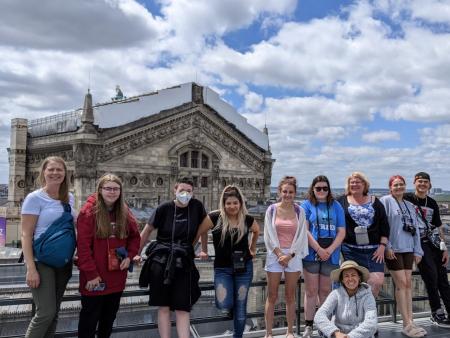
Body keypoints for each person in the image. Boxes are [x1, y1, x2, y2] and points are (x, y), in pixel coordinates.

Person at [138, 177, 208, 338]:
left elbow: (205, 228)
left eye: (189, 191)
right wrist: (137, 253)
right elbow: (147, 231)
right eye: (182, 190)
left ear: (193, 192)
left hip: (184, 261)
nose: (185, 194)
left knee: (183, 306)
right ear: (174, 190)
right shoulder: (164, 208)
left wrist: (204, 249)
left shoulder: (197, 206)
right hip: (162, 261)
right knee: (163, 307)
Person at [76, 174, 140, 337]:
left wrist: (130, 256)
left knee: (108, 321)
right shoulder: (88, 212)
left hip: (116, 276)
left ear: (120, 191)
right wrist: (91, 275)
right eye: (108, 188)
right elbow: (83, 248)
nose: (112, 192)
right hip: (94, 279)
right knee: (88, 323)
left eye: (115, 189)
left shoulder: (124, 211)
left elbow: (135, 236)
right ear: (100, 190)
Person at [21, 156, 76, 338]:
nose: (55, 173)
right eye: (51, 169)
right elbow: (26, 234)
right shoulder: (34, 198)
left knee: (53, 314)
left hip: (63, 262)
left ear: (65, 173)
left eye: (59, 169)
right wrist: (31, 268)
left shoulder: (70, 198)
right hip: (40, 261)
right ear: (43, 172)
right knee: (45, 313)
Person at [194, 185, 260, 338]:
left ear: (240, 203)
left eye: (235, 203)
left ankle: (238, 336)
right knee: (224, 303)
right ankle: (231, 306)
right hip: (223, 268)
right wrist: (203, 249)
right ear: (223, 204)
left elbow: (257, 231)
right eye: (228, 203)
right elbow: (200, 231)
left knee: (241, 307)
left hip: (244, 267)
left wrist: (253, 247)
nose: (232, 206)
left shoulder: (247, 219)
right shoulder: (214, 217)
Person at [263, 176, 309, 338]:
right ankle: (268, 333)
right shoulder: (272, 210)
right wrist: (279, 254)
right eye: (285, 191)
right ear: (279, 192)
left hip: (293, 255)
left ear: (295, 193)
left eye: (291, 192)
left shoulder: (300, 210)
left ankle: (290, 332)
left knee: (290, 296)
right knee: (272, 295)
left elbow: (302, 236)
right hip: (275, 254)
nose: (288, 194)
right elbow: (267, 234)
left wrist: (290, 255)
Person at [301, 176, 346, 338]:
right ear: (312, 189)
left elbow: (341, 231)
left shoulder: (336, 206)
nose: (321, 191)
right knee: (311, 291)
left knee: (326, 291)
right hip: (311, 253)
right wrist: (319, 249)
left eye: (324, 188)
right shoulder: (305, 205)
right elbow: (304, 231)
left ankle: (323, 325)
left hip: (331, 255)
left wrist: (329, 250)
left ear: (329, 190)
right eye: (318, 188)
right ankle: (308, 326)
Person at [380, 175, 425, 337]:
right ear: (390, 187)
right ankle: (406, 324)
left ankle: (411, 321)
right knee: (402, 284)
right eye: (395, 185)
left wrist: (418, 251)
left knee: (408, 286)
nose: (399, 187)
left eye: (401, 184)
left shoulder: (410, 205)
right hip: (394, 250)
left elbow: (416, 231)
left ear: (405, 187)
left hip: (409, 249)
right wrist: (387, 246)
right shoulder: (385, 201)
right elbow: (382, 225)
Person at [404, 172, 450, 327]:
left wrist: (444, 248)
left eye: (425, 182)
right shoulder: (407, 199)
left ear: (429, 185)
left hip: (434, 243)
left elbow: (438, 226)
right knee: (431, 276)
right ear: (414, 183)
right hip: (419, 243)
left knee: (442, 278)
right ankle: (436, 312)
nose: (422, 184)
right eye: (419, 181)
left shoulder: (432, 202)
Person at [337, 172, 389, 298]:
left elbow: (384, 225)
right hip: (350, 249)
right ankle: (357, 314)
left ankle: (368, 312)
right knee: (353, 283)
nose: (355, 184)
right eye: (352, 182)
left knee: (376, 282)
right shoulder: (341, 201)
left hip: (374, 250)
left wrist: (382, 246)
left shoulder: (375, 201)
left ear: (365, 185)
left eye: (358, 182)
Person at [314, 260, 378, 338]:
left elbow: (371, 323)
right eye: (346, 276)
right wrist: (335, 332)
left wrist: (349, 337)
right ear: (342, 280)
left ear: (359, 277)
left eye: (353, 275)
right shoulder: (336, 294)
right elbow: (319, 316)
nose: (350, 279)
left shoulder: (368, 296)